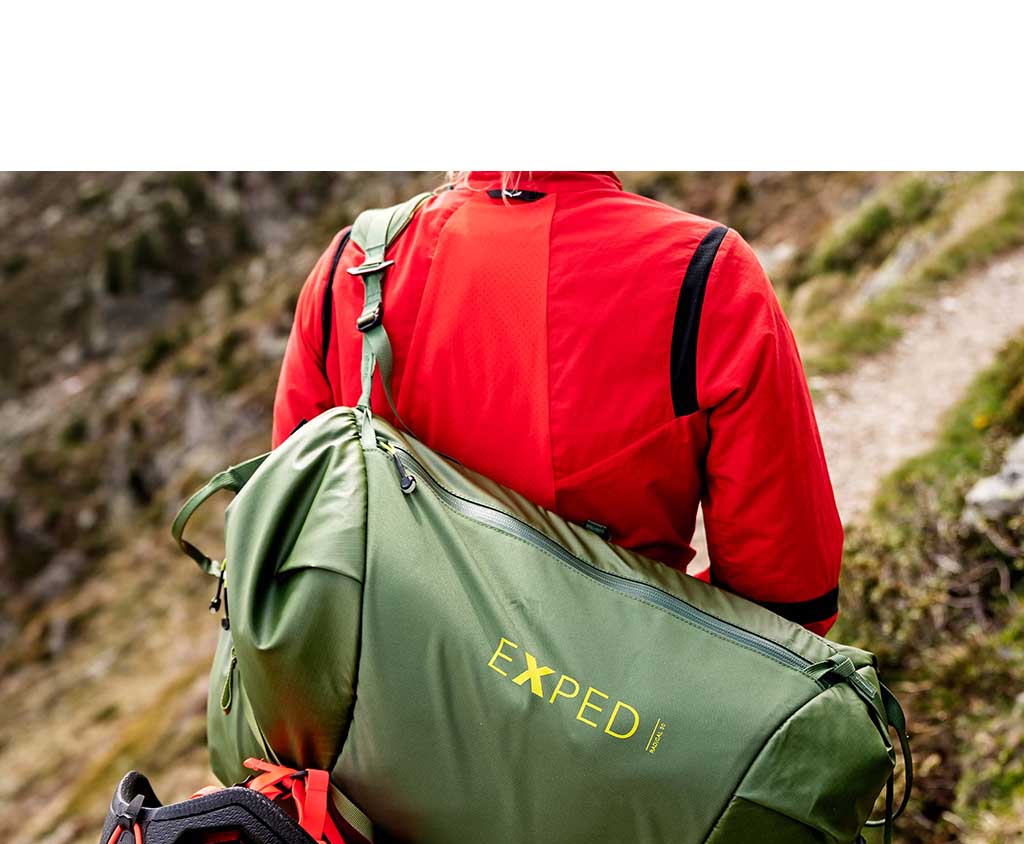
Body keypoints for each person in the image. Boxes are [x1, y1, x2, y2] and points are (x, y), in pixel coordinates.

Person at [272, 171, 842, 635]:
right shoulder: (707, 270)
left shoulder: (351, 265)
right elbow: (789, 600)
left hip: (380, 716)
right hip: (613, 714)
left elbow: (285, 543)